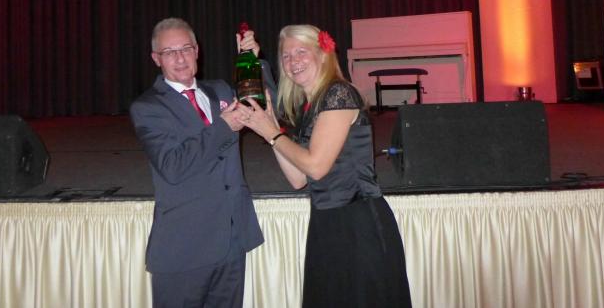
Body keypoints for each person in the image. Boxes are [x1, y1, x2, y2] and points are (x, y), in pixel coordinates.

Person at [240, 24, 412, 307]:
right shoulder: (310, 106)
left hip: (358, 225)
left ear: (322, 54)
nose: (293, 61)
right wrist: (270, 127)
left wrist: (271, 133)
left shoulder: (338, 94)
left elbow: (316, 166)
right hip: (327, 224)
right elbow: (298, 178)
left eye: (301, 52)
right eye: (286, 55)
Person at [129, 17, 267, 308]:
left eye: (186, 48)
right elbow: (173, 166)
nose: (180, 58)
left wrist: (254, 64)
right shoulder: (148, 107)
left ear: (197, 51)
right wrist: (223, 126)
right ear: (156, 59)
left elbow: (267, 108)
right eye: (169, 52)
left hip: (231, 241)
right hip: (184, 248)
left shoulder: (220, 90)